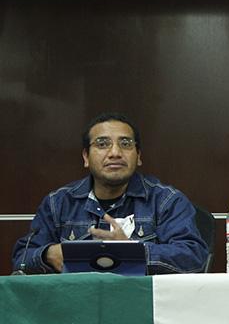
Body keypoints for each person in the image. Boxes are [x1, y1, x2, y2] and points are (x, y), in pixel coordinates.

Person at [11, 112, 209, 274]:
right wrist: (48, 254)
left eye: (125, 144)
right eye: (102, 144)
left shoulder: (166, 201)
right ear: (86, 157)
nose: (115, 152)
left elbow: (193, 258)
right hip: (74, 309)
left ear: (138, 156)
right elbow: (21, 259)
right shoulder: (59, 203)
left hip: (143, 308)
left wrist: (132, 252)